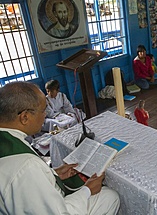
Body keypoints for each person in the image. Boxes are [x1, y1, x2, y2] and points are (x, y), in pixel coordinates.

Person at [0, 82, 120, 214]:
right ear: (25, 117)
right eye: (43, 110)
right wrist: (88, 189)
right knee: (109, 196)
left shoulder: (8, 140)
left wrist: (53, 174)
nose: (45, 115)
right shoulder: (26, 166)